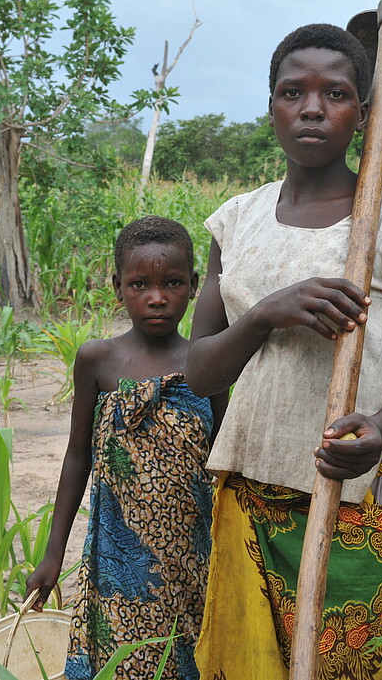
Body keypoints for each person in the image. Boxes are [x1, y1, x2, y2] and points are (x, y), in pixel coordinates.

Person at [187, 23, 382, 680]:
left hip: (356, 491)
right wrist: (265, 317)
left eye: (334, 94)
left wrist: (380, 428)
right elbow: (199, 369)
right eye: (291, 92)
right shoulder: (235, 221)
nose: (310, 107)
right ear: (270, 106)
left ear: (363, 115)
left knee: (356, 664)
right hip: (251, 494)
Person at [25, 215, 227, 680]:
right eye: (140, 284)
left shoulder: (206, 363)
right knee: (121, 663)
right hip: (117, 561)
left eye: (173, 283)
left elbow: (224, 456)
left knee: (188, 659)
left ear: (194, 286)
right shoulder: (98, 360)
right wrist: (53, 554)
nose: (157, 297)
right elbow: (79, 457)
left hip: (194, 558)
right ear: (118, 286)